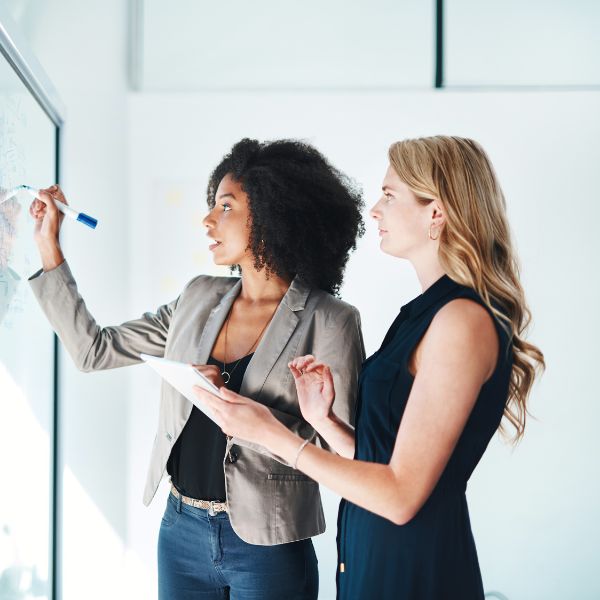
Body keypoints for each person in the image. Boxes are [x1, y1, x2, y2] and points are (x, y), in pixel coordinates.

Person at [194, 135, 546, 599]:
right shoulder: (422, 314)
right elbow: (388, 462)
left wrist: (270, 433)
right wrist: (327, 423)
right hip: (373, 561)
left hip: (414, 572)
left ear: (435, 214)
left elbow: (400, 496)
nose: (374, 210)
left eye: (389, 194)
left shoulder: (462, 322)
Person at [27, 138, 365, 600]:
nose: (208, 220)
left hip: (268, 542)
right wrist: (50, 246)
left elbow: (347, 457)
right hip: (180, 532)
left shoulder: (331, 320)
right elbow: (94, 350)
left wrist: (238, 409)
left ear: (273, 215)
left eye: (225, 207)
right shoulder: (198, 297)